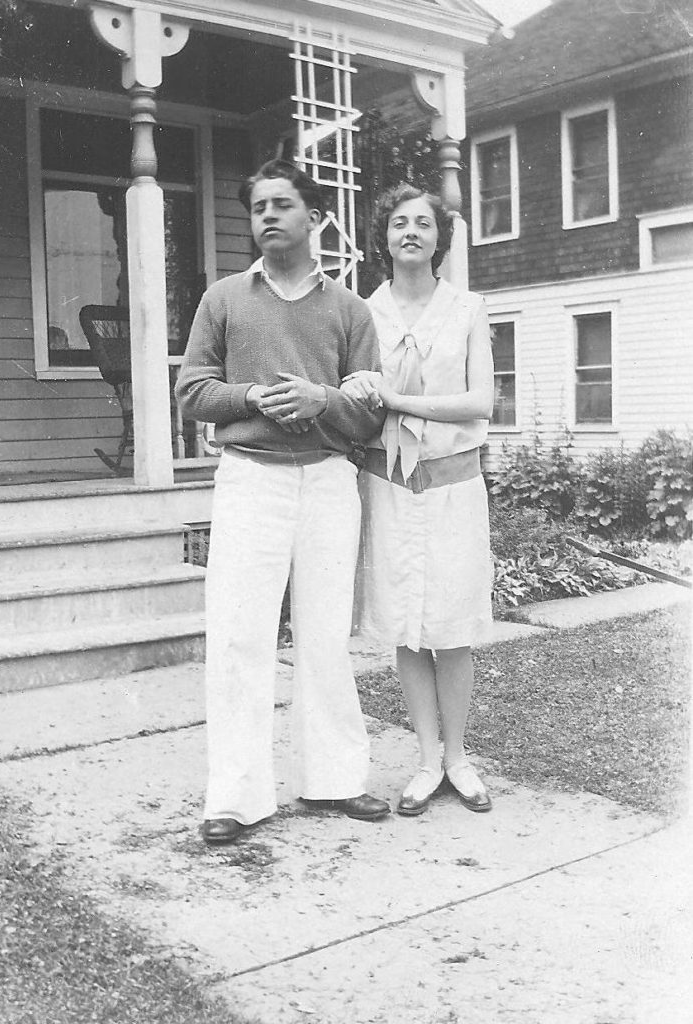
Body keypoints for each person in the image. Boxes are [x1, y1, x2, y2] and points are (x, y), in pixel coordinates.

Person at [175, 159, 389, 845]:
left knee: (325, 634)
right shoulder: (225, 300)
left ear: (315, 217)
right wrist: (253, 398)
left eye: (282, 204)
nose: (267, 215)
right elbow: (192, 389)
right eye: (258, 205)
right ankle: (234, 799)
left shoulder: (350, 310)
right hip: (251, 478)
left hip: (328, 480)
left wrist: (320, 399)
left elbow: (368, 412)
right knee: (240, 635)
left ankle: (336, 780)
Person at [342, 184, 495, 817]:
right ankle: (428, 759)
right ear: (383, 237)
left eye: (424, 223)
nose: (411, 232)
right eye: (399, 223)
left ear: (440, 238)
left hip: (451, 482)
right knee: (406, 625)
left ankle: (458, 757)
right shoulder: (361, 313)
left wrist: (399, 401)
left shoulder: (467, 310)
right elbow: (351, 399)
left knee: (451, 626)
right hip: (388, 484)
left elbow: (480, 402)